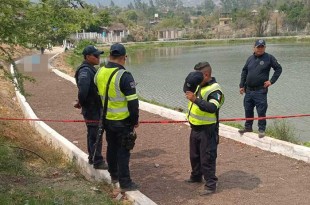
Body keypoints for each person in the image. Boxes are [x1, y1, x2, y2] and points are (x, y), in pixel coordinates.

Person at [94, 43, 139, 192]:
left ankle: (114, 175)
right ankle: (125, 183)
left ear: (110, 56)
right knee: (123, 151)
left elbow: (97, 96)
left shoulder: (99, 72)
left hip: (106, 120)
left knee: (111, 148)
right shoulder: (124, 76)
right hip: (122, 121)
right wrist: (134, 121)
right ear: (124, 57)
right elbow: (133, 103)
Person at [184, 62, 224, 196]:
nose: (195, 77)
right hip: (195, 127)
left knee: (207, 158)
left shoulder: (215, 89)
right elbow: (186, 88)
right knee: (194, 156)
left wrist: (195, 100)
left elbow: (213, 107)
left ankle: (211, 184)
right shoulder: (198, 84)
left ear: (206, 75)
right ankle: (196, 176)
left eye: (197, 75)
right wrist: (189, 80)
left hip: (208, 130)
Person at [239, 39, 282, 138]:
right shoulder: (250, 58)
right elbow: (244, 72)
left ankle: (261, 130)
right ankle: (248, 127)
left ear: (265, 47)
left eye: (262, 46)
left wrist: (271, 81)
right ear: (254, 47)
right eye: (258, 47)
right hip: (248, 90)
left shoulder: (269, 58)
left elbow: (278, 69)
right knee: (248, 109)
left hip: (260, 91)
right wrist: (241, 86)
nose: (260, 48)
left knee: (261, 110)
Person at [74, 45, 108, 169]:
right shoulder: (85, 71)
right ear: (88, 57)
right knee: (95, 133)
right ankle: (97, 160)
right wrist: (81, 103)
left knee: (94, 133)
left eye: (99, 55)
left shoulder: (90, 69)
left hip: (94, 107)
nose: (98, 58)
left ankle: (93, 158)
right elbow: (83, 89)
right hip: (92, 109)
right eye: (96, 55)